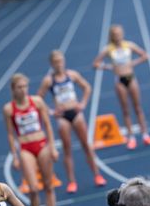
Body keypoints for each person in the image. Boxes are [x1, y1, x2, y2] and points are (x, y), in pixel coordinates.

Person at [3, 73, 64, 206]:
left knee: (49, 186)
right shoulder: (9, 109)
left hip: (42, 144)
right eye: (19, 87)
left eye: (25, 87)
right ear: (13, 89)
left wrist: (53, 147)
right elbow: (10, 134)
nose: (23, 90)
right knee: (33, 188)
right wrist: (14, 156)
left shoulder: (36, 101)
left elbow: (47, 125)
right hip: (25, 148)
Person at [37, 50, 107, 194]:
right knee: (67, 149)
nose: (59, 63)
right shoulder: (49, 80)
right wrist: (51, 111)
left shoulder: (72, 75)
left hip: (76, 113)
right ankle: (71, 181)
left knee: (86, 145)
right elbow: (38, 99)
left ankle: (97, 175)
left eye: (60, 60)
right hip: (62, 116)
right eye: (56, 61)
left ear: (64, 61)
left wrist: (83, 103)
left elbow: (87, 87)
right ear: (52, 63)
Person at [93, 25, 150, 150]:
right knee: (126, 110)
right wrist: (109, 67)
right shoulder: (108, 49)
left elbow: (145, 55)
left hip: (131, 77)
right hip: (119, 80)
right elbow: (95, 63)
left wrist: (133, 63)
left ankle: (145, 135)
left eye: (119, 33)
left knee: (138, 107)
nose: (117, 36)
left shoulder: (129, 45)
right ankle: (131, 137)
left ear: (122, 34)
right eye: (115, 34)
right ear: (111, 36)